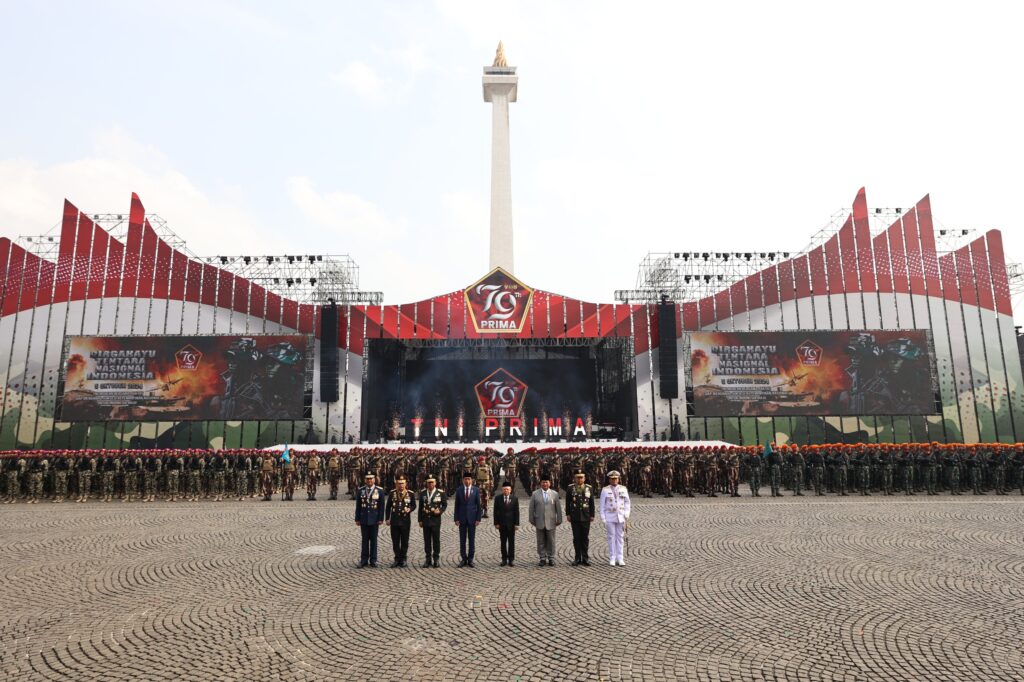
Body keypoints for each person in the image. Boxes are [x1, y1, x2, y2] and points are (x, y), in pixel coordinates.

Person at [528, 471, 562, 567]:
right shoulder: (535, 494)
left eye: (546, 482)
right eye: (543, 482)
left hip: (551, 521)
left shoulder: (554, 494)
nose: (545, 484)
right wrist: (531, 519)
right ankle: (542, 557)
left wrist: (559, 519)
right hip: (539, 521)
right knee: (541, 540)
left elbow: (558, 508)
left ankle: (551, 557)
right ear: (540, 483)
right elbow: (531, 508)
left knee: (551, 540)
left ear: (549, 483)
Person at [384, 474, 416, 568]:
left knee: (405, 541)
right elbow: (388, 506)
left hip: (405, 521)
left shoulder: (410, 493)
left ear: (406, 483)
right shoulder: (392, 493)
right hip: (394, 521)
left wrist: (409, 509)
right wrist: (387, 518)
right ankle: (397, 559)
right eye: (399, 483)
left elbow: (414, 505)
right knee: (395, 541)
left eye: (402, 483)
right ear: (396, 484)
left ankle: (404, 559)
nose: (401, 485)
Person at [565, 469, 595, 566]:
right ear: (574, 478)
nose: (579, 479)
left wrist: (592, 515)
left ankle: (585, 558)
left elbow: (591, 503)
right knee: (576, 538)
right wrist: (568, 514)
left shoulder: (589, 488)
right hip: (575, 516)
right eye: (578, 477)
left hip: (586, 516)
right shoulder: (570, 488)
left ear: (584, 478)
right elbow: (567, 502)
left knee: (585, 538)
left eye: (581, 477)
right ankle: (577, 558)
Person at [600, 470, 631, 567]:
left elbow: (627, 502)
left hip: (621, 516)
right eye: (612, 479)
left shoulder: (623, 489)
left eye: (616, 479)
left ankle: (620, 558)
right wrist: (603, 518)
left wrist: (627, 513)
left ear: (618, 479)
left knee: (620, 538)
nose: (614, 481)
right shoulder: (605, 490)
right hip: (610, 516)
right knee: (611, 537)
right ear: (609, 480)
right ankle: (612, 557)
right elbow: (602, 506)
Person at [354, 472, 385, 567]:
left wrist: (380, 519)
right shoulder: (361, 490)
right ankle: (364, 560)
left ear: (374, 479)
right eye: (367, 479)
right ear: (365, 480)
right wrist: (357, 518)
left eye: (371, 479)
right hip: (364, 519)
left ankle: (373, 560)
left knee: (374, 540)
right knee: (364, 540)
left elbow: (381, 506)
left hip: (374, 519)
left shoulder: (379, 491)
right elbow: (358, 506)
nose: (369, 480)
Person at [453, 471, 482, 567]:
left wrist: (478, 518)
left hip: (472, 519)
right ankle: (463, 559)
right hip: (462, 519)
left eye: (469, 479)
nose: (467, 481)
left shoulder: (476, 490)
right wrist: (456, 518)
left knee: (471, 540)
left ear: (472, 480)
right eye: (465, 479)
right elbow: (456, 505)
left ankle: (470, 559)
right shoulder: (459, 490)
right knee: (462, 540)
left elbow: (479, 505)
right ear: (463, 480)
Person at [417, 473, 447, 567]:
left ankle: (436, 559)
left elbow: (444, 504)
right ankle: (428, 559)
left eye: (432, 482)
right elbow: (420, 507)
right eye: (428, 483)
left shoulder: (440, 493)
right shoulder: (422, 493)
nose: (430, 484)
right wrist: (420, 520)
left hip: (435, 520)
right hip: (425, 520)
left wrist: (440, 511)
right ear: (426, 483)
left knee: (436, 540)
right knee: (427, 541)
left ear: (435, 483)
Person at [492, 480, 519, 567]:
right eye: (504, 489)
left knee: (511, 542)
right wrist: (496, 523)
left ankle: (511, 559)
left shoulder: (514, 499)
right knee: (503, 542)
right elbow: (495, 511)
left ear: (510, 490)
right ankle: (504, 559)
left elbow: (516, 512)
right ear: (502, 490)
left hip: (511, 525)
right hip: (502, 524)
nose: (506, 491)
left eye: (507, 489)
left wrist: (516, 524)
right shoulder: (498, 498)